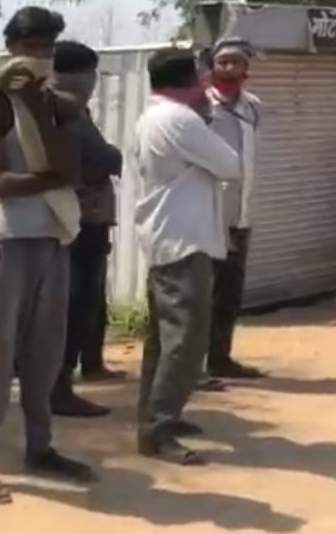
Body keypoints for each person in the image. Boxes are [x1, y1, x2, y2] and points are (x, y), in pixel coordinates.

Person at [0, 6, 92, 504]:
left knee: (45, 352)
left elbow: (73, 163)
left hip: (52, 237)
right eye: (34, 47)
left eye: (48, 49)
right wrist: (54, 178)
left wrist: (41, 110)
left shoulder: (49, 103)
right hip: (8, 240)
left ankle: (40, 447)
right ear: (14, 47)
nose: (41, 56)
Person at [132, 48, 241, 466]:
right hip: (183, 240)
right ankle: (157, 429)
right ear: (184, 83)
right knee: (185, 340)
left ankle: (157, 417)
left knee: (164, 338)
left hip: (171, 237)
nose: (205, 87)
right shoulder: (178, 119)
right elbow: (230, 165)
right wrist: (207, 114)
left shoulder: (155, 117)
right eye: (199, 79)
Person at [49, 40, 122, 418]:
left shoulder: (58, 106)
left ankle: (64, 379)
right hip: (79, 223)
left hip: (79, 219)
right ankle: (59, 388)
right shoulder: (66, 110)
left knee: (79, 306)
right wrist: (110, 159)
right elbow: (102, 158)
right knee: (73, 308)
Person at [198, 38, 265, 385]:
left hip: (241, 214)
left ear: (245, 67)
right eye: (222, 62)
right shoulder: (201, 105)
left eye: (235, 62)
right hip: (211, 214)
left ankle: (220, 358)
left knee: (229, 293)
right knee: (201, 292)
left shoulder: (253, 107)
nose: (227, 68)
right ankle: (193, 367)